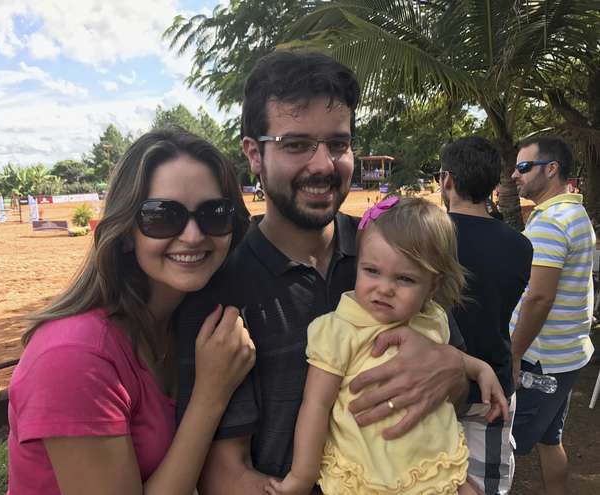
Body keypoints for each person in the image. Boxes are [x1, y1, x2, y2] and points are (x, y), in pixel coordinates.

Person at [175, 51, 470, 494]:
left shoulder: (397, 251)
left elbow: (457, 391)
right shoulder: (220, 293)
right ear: (254, 154)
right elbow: (223, 474)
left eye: (338, 144)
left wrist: (453, 369)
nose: (322, 165)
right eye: (295, 144)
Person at [6, 127, 256, 495]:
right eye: (162, 216)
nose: (192, 235)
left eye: (213, 213)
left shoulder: (183, 325)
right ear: (125, 231)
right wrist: (210, 396)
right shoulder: (74, 359)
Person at [267, 197, 509, 495]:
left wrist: (478, 367)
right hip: (367, 475)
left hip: (433, 466)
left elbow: (449, 356)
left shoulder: (431, 318)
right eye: (371, 271)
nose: (384, 288)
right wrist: (302, 476)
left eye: (404, 279)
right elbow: (316, 404)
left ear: (432, 286)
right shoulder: (340, 330)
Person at [440, 137, 533, 494]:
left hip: (431, 381)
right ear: (495, 184)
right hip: (490, 385)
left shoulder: (427, 239)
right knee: (485, 485)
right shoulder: (520, 246)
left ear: (447, 179)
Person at [510, 135, 595, 495]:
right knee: (550, 440)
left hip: (541, 363)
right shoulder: (574, 212)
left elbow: (539, 298)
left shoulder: (551, 222)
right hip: (567, 357)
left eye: (523, 167)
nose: (514, 174)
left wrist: (513, 354)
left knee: (502, 447)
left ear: (552, 169)